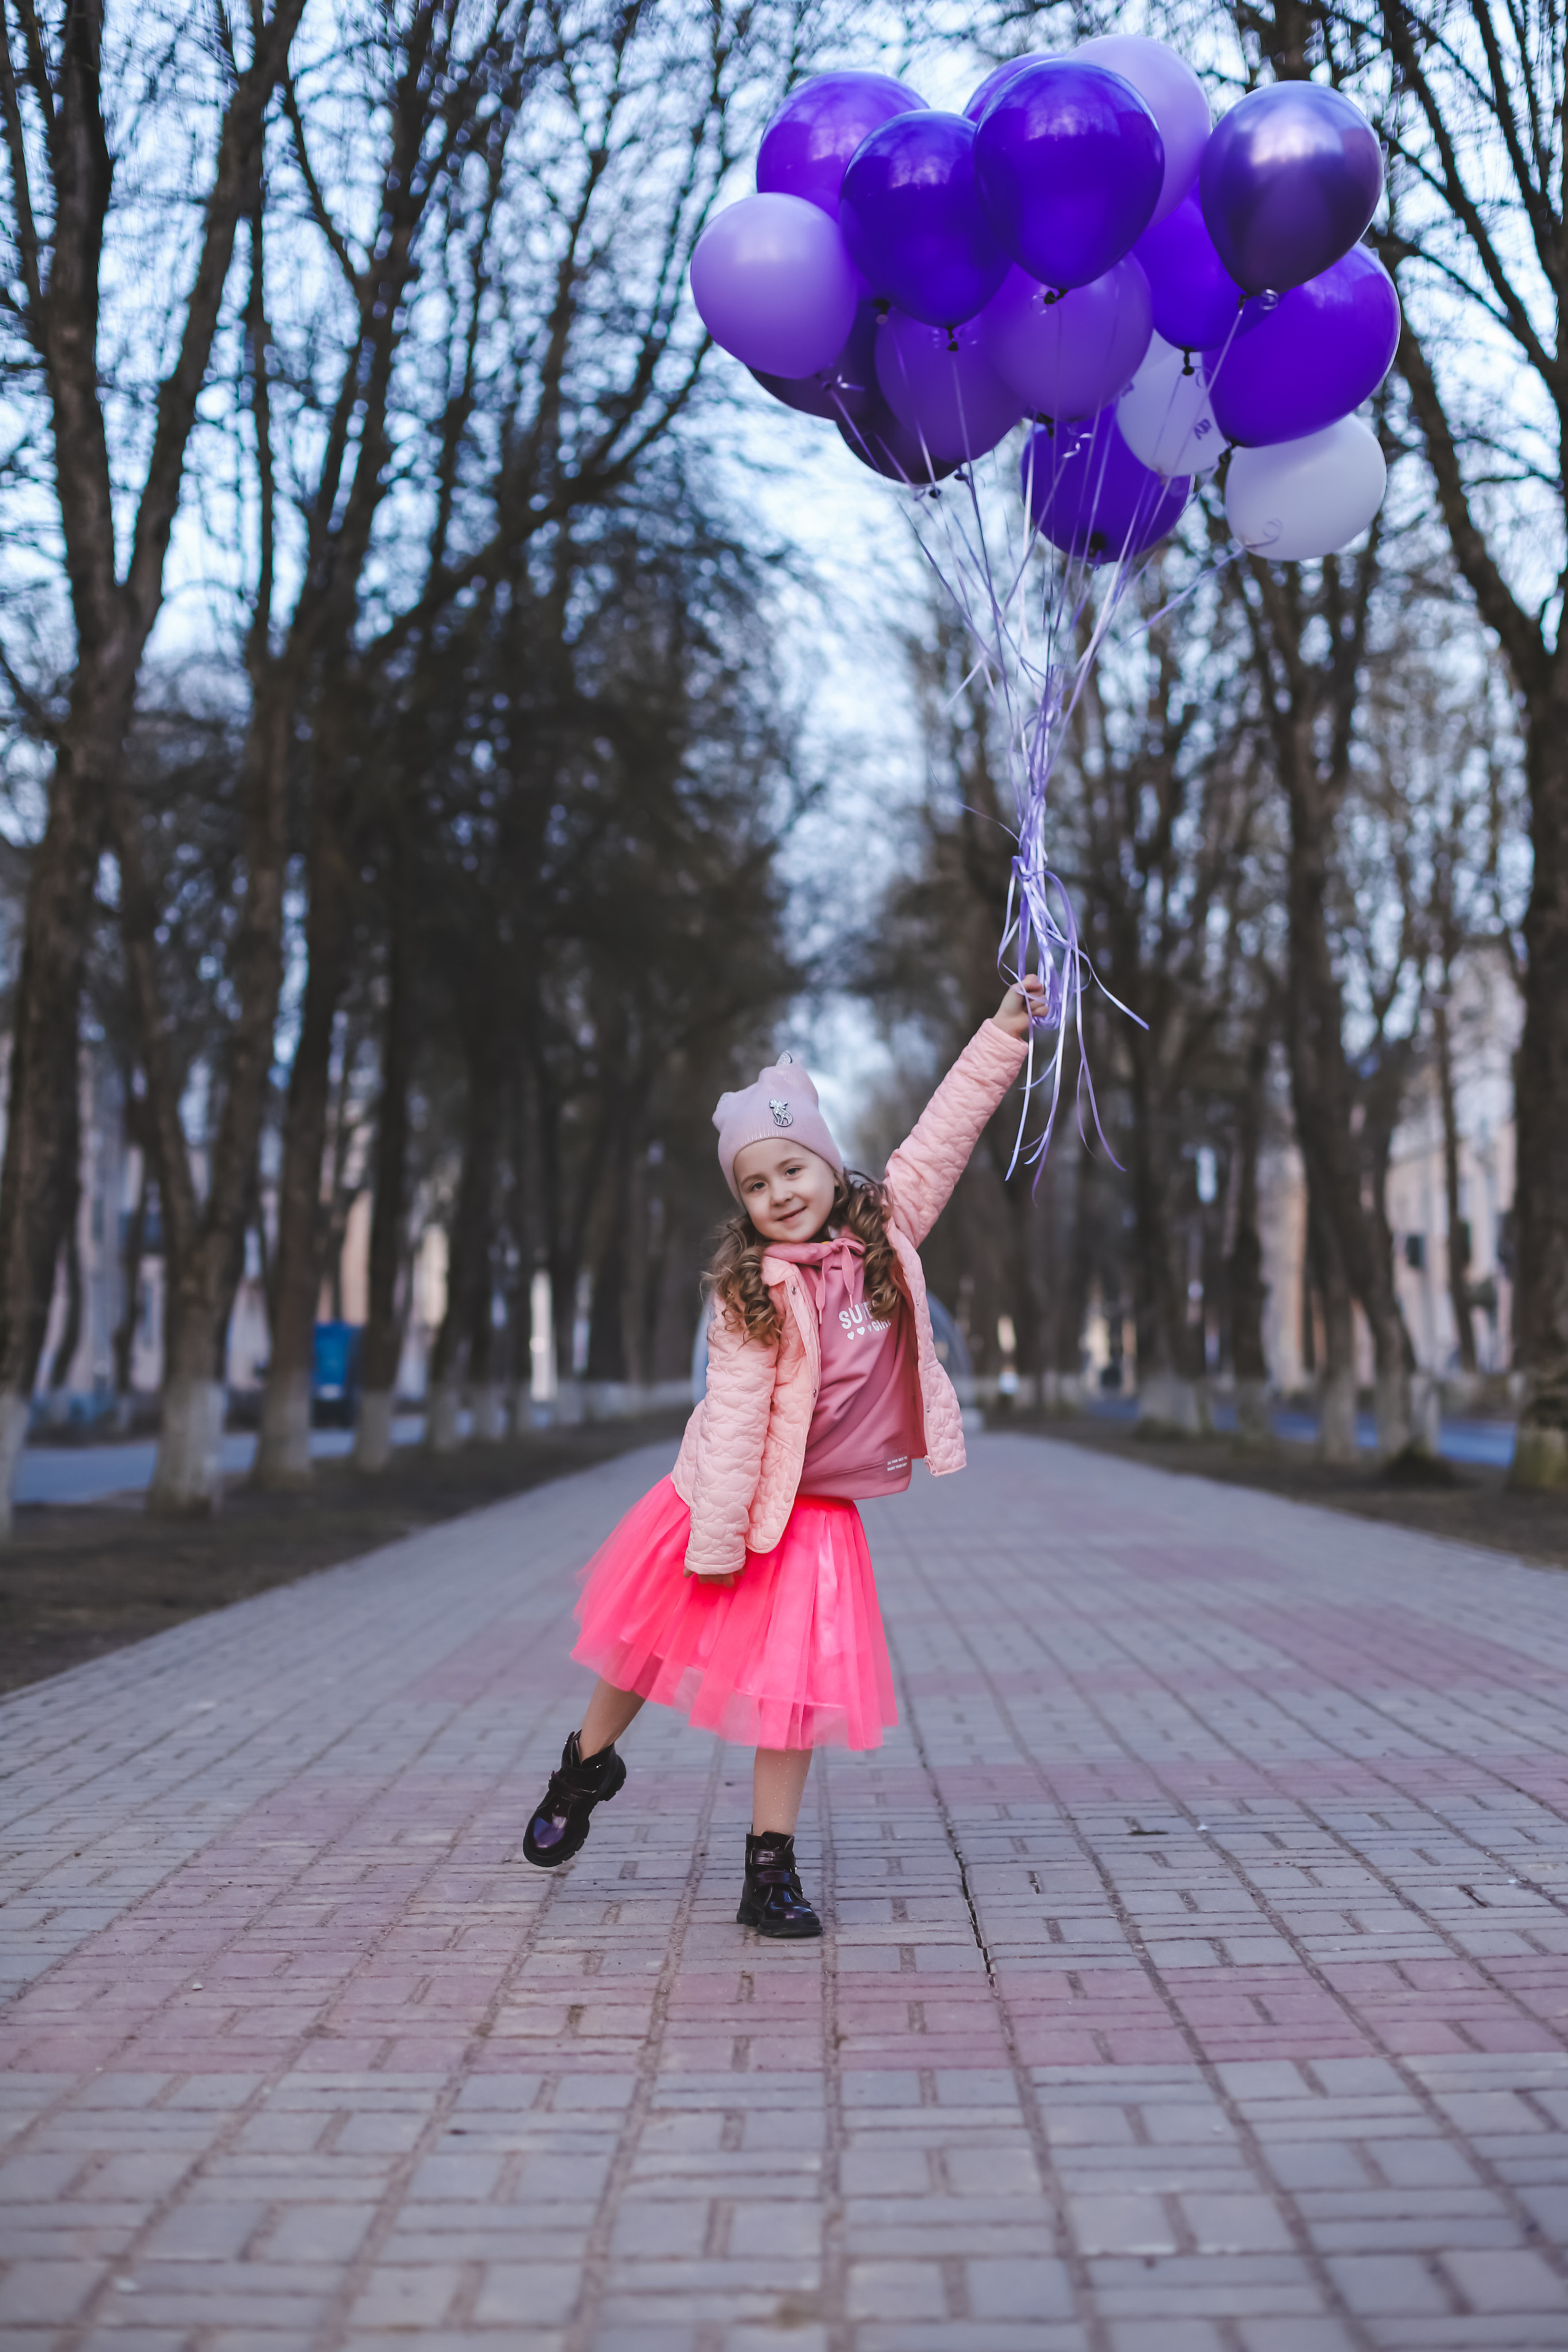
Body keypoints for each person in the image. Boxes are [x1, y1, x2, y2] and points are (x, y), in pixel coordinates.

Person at [521, 976, 1047, 1936]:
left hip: (815, 1517)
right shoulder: (749, 1294)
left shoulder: (883, 1235)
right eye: (755, 1186)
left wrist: (1003, 1035)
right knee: (643, 1637)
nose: (779, 1196)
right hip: (718, 1503)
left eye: (792, 1171)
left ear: (827, 1164)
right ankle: (587, 1764)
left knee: (790, 1695)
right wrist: (715, 1547)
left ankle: (769, 1868)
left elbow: (941, 1135)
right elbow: (730, 1424)